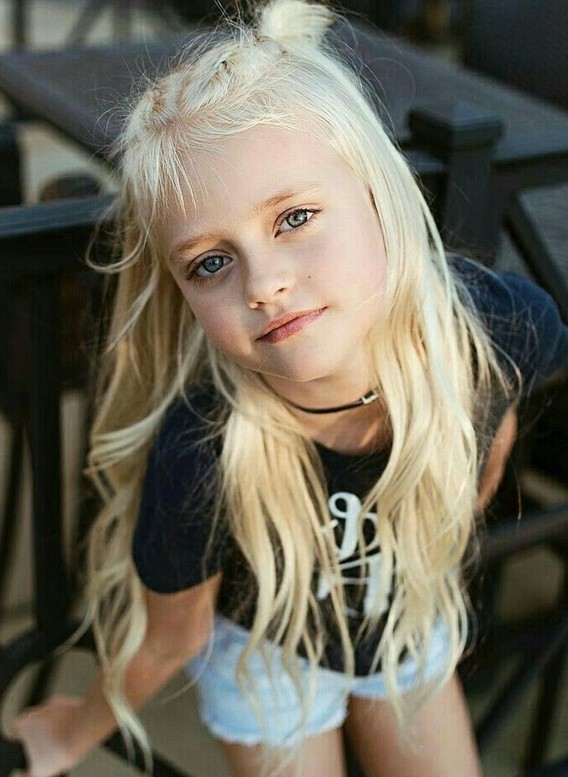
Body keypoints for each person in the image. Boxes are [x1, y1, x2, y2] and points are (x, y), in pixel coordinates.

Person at [8, 1, 568, 775]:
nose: (264, 283)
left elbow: (495, 418)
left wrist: (455, 512)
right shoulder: (202, 451)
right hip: (269, 660)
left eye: (295, 217)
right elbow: (172, 635)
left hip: (409, 617)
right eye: (210, 262)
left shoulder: (497, 326)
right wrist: (75, 729)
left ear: (375, 190)